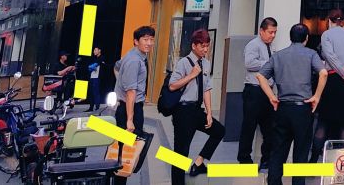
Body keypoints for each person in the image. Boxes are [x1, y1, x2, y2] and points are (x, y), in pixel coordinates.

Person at [256, 23, 328, 185]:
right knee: (301, 153)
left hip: (283, 108)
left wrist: (272, 97)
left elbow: (260, 76)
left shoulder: (279, 55)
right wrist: (316, 97)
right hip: (303, 109)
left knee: (278, 150)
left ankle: (274, 182)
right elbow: (323, 73)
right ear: (306, 38)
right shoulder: (311, 54)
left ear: (290, 37)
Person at [167, 29, 226, 181]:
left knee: (219, 131)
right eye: (202, 46)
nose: (205, 49)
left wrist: (209, 112)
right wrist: (191, 75)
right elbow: (172, 86)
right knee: (181, 153)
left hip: (197, 111)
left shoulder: (206, 63)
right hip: (183, 111)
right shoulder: (183, 63)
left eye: (207, 46)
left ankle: (199, 162)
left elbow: (206, 89)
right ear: (194, 46)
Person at [315, 7, 344, 155]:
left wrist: (343, 73)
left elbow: (330, 56)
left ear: (329, 21)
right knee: (343, 123)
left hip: (332, 80)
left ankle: (313, 159)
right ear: (343, 22)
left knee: (323, 122)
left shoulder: (326, 35)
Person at [238, 18, 278, 168]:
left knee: (269, 127)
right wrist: (269, 63)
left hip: (267, 91)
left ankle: (266, 159)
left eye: (274, 32)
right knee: (249, 126)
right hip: (254, 90)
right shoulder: (253, 45)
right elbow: (249, 63)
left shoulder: (270, 47)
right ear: (261, 31)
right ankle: (244, 158)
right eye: (270, 32)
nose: (273, 35)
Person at [116, 25, 156, 135]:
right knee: (132, 143)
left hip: (129, 105)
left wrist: (121, 82)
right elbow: (130, 91)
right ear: (136, 41)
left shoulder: (133, 54)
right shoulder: (134, 60)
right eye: (145, 39)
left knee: (130, 143)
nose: (149, 43)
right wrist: (130, 120)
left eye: (151, 39)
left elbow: (116, 67)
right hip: (130, 108)